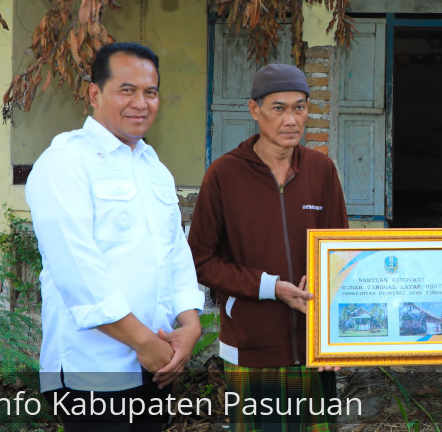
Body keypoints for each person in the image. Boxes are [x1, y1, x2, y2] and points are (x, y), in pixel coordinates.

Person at [26, 42, 203, 431]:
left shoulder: (153, 167)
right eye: (127, 90)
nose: (141, 103)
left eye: (150, 92)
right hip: (92, 368)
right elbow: (78, 272)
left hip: (156, 364)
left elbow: (174, 253)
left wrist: (190, 325)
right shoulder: (65, 162)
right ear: (94, 93)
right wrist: (144, 343)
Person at [187, 63, 348, 431]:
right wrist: (269, 287)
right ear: (254, 110)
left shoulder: (321, 171)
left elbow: (341, 255)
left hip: (313, 348)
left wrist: (335, 338)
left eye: (300, 107)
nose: (291, 119)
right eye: (279, 108)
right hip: (250, 347)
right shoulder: (224, 175)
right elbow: (200, 261)